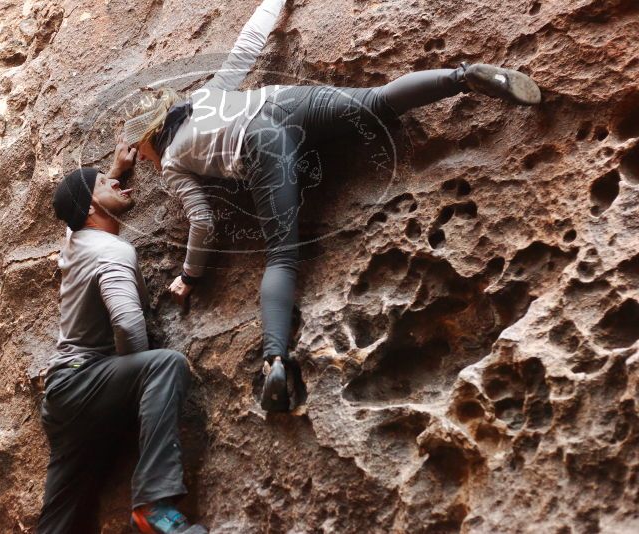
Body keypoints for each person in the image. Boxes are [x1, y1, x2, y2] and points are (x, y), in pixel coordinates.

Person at [121, 0, 542, 412]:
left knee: (282, 257)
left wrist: (190, 275)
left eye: (139, 149)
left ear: (151, 137)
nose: (142, 159)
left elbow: (203, 221)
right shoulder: (205, 94)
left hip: (262, 148)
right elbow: (248, 44)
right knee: (376, 102)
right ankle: (464, 76)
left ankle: (275, 360)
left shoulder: (173, 161)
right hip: (282, 102)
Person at [38, 141, 207, 533]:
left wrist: (113, 174)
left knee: (64, 510)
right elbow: (129, 325)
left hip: (65, 398)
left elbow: (77, 210)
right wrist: (135, 381)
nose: (115, 184)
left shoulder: (75, 242)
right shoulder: (112, 252)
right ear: (92, 205)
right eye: (103, 184)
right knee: (164, 366)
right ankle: (153, 505)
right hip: (87, 381)